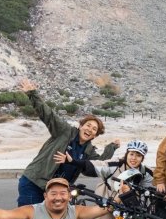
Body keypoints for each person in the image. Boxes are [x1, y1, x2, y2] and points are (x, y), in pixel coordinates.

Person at [16, 78, 119, 206]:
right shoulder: (64, 131)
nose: (89, 130)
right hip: (35, 182)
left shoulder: (89, 151)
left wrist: (112, 148)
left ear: (95, 135)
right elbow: (48, 115)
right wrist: (32, 94)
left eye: (94, 129)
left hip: (58, 191)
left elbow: (97, 166)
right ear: (80, 126)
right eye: (88, 125)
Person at [55, 139, 154, 219]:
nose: (134, 158)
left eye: (138, 155)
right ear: (127, 154)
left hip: (130, 207)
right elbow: (93, 165)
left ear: (142, 158)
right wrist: (72, 161)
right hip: (107, 203)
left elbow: (152, 190)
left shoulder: (146, 173)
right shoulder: (115, 165)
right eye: (131, 154)